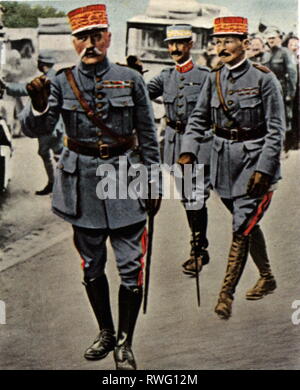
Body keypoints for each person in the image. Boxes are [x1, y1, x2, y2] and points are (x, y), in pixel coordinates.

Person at [20, 4, 161, 370]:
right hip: (80, 184)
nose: (90, 43)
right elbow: (36, 129)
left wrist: (153, 181)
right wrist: (36, 106)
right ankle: (106, 332)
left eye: (97, 35)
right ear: (74, 40)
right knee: (92, 264)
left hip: (124, 179)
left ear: (108, 37)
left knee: (131, 264)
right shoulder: (60, 79)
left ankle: (126, 344)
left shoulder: (130, 79)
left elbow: (147, 136)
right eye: (82, 36)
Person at [178, 16, 286, 320]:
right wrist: (187, 150)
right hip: (223, 165)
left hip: (255, 165)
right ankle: (267, 277)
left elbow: (277, 129)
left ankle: (225, 295)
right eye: (217, 41)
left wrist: (265, 169)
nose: (221, 47)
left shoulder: (265, 79)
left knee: (241, 226)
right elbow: (198, 118)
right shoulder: (214, 79)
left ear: (245, 42)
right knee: (248, 223)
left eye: (228, 41)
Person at [147, 25, 213, 276]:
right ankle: (199, 247)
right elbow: (141, 93)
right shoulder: (165, 76)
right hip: (174, 142)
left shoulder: (206, 76)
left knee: (195, 196)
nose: (175, 49)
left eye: (180, 43)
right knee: (187, 197)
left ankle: (198, 250)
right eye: (171, 44)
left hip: (197, 143)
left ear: (190, 45)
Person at [3, 51, 64, 195]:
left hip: (47, 125)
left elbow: (25, 89)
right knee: (59, 154)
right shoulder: (59, 78)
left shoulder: (46, 80)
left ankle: (54, 184)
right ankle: (60, 185)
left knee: (46, 153)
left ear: (42, 64)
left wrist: (5, 86)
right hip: (59, 125)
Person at [264, 28, 297, 140]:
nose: (271, 40)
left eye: (273, 38)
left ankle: (286, 145)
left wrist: (290, 94)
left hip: (282, 90)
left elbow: (292, 75)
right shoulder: (266, 54)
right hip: (268, 92)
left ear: (279, 39)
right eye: (269, 38)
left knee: (284, 118)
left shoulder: (286, 53)